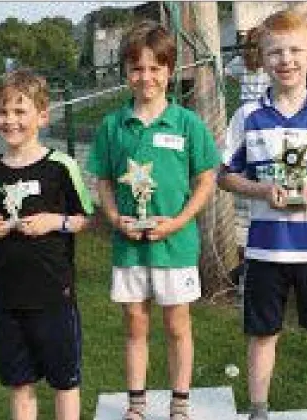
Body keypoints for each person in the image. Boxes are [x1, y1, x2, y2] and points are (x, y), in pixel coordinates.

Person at [218, 10, 307, 420]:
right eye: (276, 52)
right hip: (266, 251)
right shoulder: (248, 116)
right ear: (263, 58)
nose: (286, 60)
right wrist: (262, 189)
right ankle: (259, 408)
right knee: (262, 332)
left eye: (296, 50)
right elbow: (225, 177)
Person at [88, 20, 220, 420]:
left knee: (178, 324)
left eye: (155, 68)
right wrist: (114, 218)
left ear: (170, 70)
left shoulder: (188, 123)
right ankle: (137, 404)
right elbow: (104, 181)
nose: (146, 77)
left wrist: (178, 222)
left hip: (175, 244)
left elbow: (206, 182)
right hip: (129, 244)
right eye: (136, 68)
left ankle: (180, 403)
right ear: (126, 72)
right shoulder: (113, 125)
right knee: (135, 322)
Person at [0, 68, 94, 420]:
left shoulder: (60, 166)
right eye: (2, 111)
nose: (9, 120)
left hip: (54, 293)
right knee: (20, 382)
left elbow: (83, 218)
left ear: (42, 115)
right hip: (8, 295)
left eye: (19, 111)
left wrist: (54, 222)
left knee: (64, 381)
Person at [224, 26, 270, 103]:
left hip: (267, 105)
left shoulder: (270, 61)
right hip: (248, 105)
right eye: (253, 45)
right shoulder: (240, 61)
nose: (256, 50)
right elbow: (225, 74)